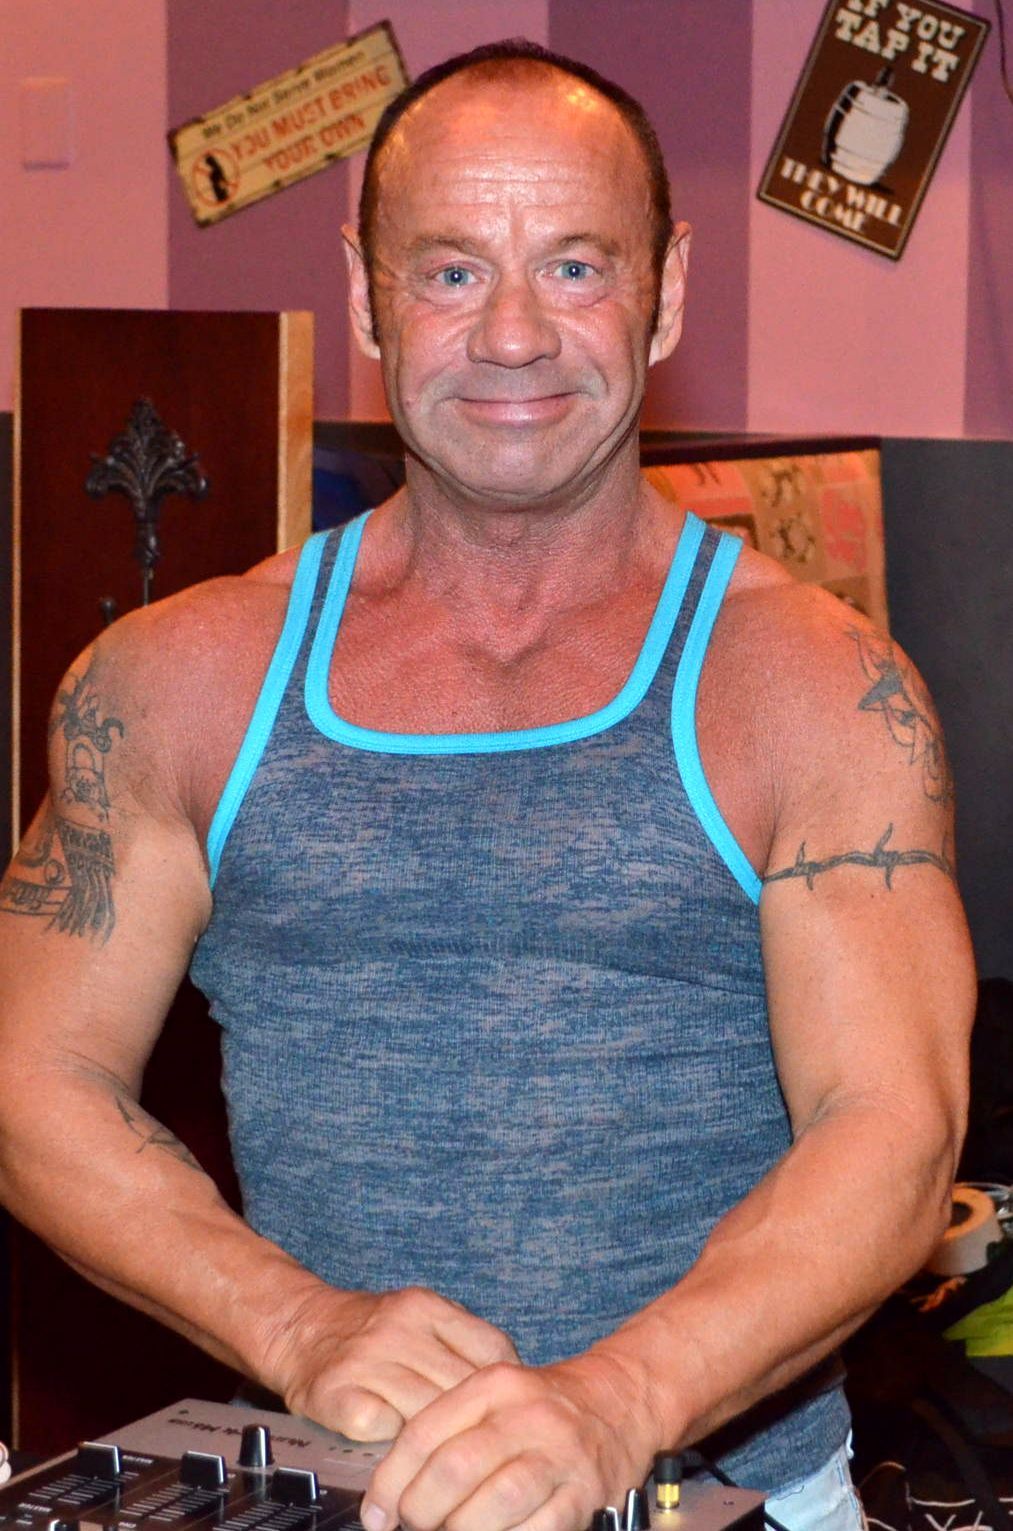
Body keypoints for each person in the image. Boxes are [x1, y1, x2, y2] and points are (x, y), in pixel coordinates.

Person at [0, 39, 975, 1531]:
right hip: (337, 1492)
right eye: (451, 272)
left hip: (734, 1499)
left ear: (667, 292)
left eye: (574, 266)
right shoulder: (180, 681)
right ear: (366, 295)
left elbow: (892, 1134)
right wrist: (295, 1326)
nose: (513, 335)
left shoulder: (815, 688)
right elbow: (32, 1078)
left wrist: (618, 1400)